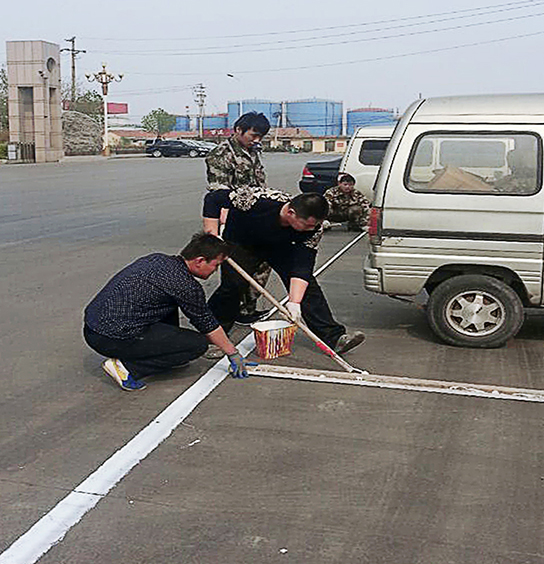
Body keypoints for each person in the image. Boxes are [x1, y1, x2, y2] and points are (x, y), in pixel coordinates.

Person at [83, 233, 254, 391]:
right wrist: (233, 353)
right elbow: (207, 324)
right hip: (110, 337)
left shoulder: (158, 259)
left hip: (93, 327)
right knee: (197, 345)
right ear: (200, 260)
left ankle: (165, 352)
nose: (215, 271)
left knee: (169, 304)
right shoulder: (185, 285)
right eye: (215, 265)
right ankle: (128, 369)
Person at [203, 189, 365, 354]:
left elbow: (303, 265)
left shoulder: (314, 229)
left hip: (282, 246)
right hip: (242, 242)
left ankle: (334, 338)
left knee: (308, 288)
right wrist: (212, 235)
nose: (312, 229)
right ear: (291, 213)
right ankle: (213, 337)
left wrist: (294, 303)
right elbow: (213, 199)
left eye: (315, 225)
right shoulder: (258, 200)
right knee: (233, 286)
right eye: (308, 224)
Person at [205, 111, 274, 325]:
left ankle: (245, 309)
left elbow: (259, 184)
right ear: (238, 130)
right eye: (253, 135)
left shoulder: (253, 151)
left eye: (260, 136)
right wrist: (221, 226)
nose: (257, 140)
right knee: (233, 276)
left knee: (262, 264)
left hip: (255, 217)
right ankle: (211, 317)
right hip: (233, 219)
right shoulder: (221, 154)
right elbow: (217, 191)